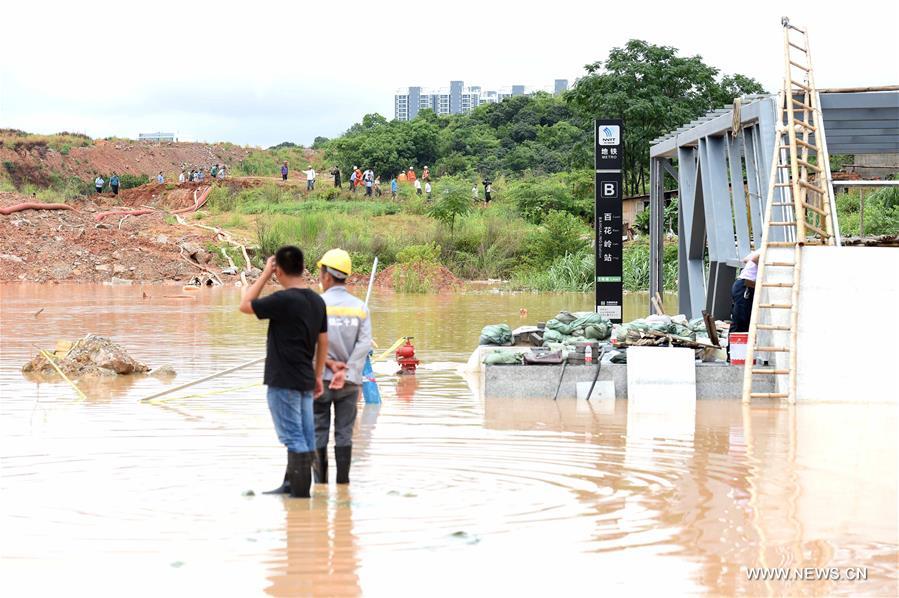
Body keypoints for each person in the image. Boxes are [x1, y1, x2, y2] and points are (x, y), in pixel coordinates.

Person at [239, 246, 328, 499]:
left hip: (283, 381)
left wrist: (265, 273)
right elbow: (324, 342)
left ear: (278, 269)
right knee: (305, 438)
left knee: (294, 439)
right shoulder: (317, 301)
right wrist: (318, 376)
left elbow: (245, 305)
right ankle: (291, 487)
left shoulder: (283, 300)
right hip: (305, 380)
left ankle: (300, 503)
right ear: (302, 266)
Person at [314, 249, 372, 485]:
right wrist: (346, 371)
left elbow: (310, 342)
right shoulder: (360, 308)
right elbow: (364, 344)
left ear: (327, 276)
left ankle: (320, 487)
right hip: (349, 383)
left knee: (318, 432)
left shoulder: (316, 305)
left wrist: (329, 365)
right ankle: (343, 486)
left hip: (320, 382)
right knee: (344, 434)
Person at [730, 250, 761, 332]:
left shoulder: (760, 249)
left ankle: (736, 344)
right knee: (741, 320)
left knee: (742, 319)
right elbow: (754, 258)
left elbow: (746, 259)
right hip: (746, 286)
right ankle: (735, 344)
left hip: (741, 285)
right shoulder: (770, 248)